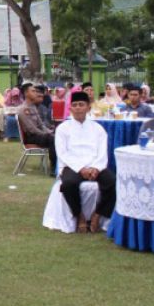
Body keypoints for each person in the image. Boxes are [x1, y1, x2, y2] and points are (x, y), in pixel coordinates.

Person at [54, 91, 112, 233]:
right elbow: (63, 154)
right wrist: (81, 169)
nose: (78, 108)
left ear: (88, 107)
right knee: (68, 184)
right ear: (70, 108)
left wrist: (96, 168)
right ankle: (79, 215)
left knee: (112, 182)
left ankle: (97, 214)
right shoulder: (62, 129)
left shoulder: (98, 129)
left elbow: (102, 153)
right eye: (74, 105)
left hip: (94, 165)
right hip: (72, 166)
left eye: (81, 104)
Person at [16, 82, 57, 170]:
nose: (36, 93)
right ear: (26, 93)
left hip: (39, 134)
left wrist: (50, 132)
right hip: (31, 137)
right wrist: (47, 134)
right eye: (33, 91)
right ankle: (54, 168)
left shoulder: (33, 107)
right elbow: (32, 129)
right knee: (52, 139)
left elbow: (41, 124)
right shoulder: (23, 109)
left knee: (58, 133)